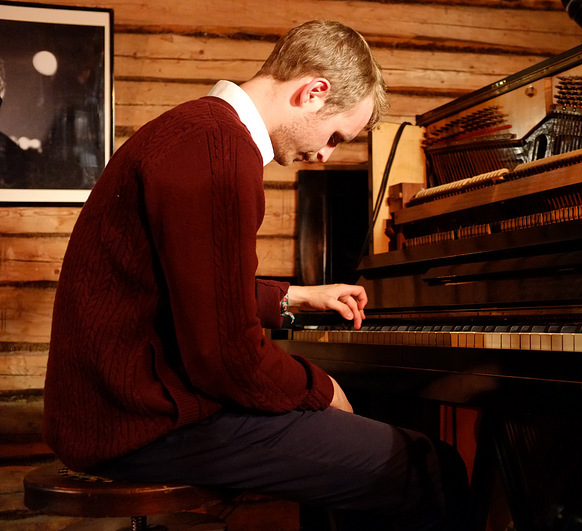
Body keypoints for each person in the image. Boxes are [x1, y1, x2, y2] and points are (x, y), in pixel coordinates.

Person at [43, 20, 468, 530]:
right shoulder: (219, 153)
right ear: (313, 92)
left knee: (348, 453)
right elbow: (226, 358)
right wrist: (320, 386)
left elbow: (187, 285)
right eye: (335, 136)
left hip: (113, 411)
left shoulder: (199, 130)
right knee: (429, 466)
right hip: (139, 422)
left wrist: (292, 298)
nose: (324, 154)